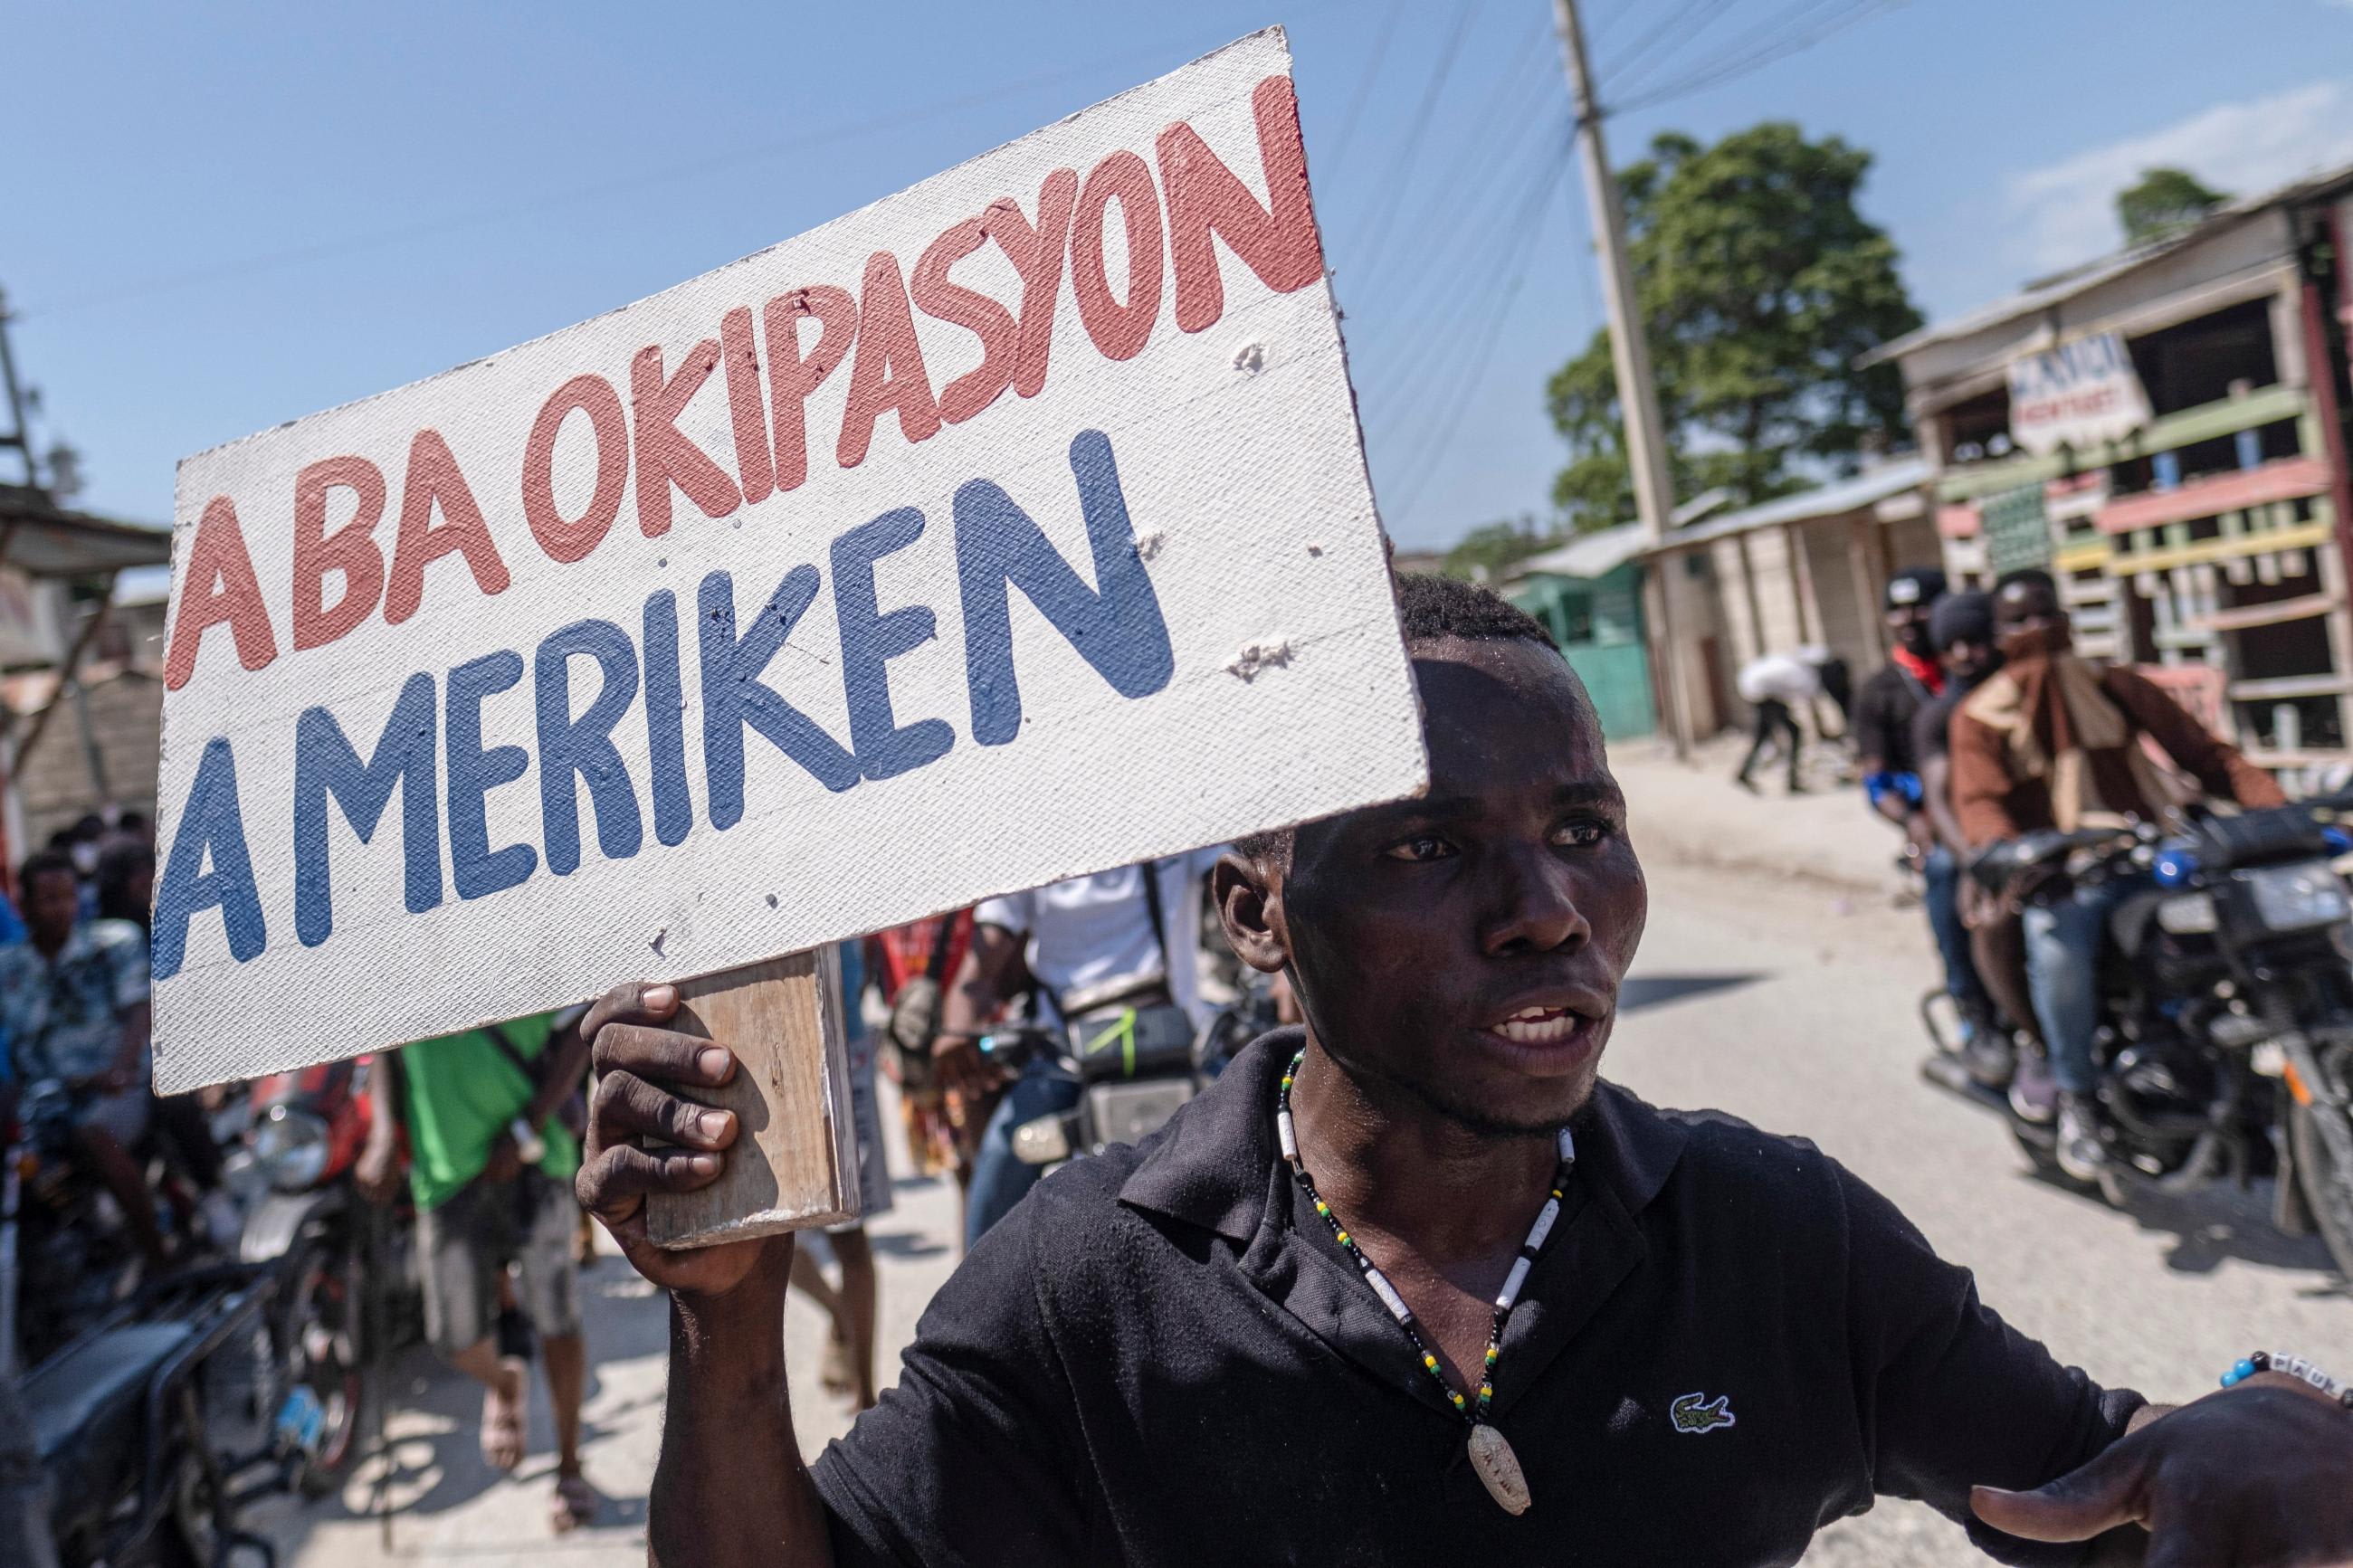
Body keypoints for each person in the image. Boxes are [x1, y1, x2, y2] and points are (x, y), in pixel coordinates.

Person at [576, 573, 2353, 1566]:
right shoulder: (1086, 1280)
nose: (1546, 910)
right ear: (1250, 910)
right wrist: (729, 1321)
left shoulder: (1770, 1232)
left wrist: (2235, 1436)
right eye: (1428, 846)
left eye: (1584, 825)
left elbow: (2090, 1480)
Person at [1951, 568, 2286, 1183]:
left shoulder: (2114, 684)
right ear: (1999, 636)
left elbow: (2206, 756)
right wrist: (2013, 850)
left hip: (2152, 854)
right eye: (2020, 621)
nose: (2038, 631)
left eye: (2046, 614)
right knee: (2058, 946)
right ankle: (2077, 1096)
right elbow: (1980, 804)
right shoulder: (1980, 716)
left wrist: (2280, 811)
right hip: (2066, 875)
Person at [357, 1010, 600, 1532]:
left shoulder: (513, 930)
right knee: (453, 1339)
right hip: (444, 1171)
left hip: (535, 1158)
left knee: (558, 1322)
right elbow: (381, 1039)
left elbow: (578, 1030)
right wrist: (381, 1135)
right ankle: (505, 1385)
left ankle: (570, 1466)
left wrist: (528, 1124)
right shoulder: (386, 951)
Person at [932, 850, 1224, 1249]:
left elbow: (1238, 885)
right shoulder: (1028, 840)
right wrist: (955, 1028)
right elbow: (981, 965)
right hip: (1066, 1059)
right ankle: (973, 1301)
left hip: (1179, 1046)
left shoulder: (1170, 808)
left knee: (1265, 1136)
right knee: (999, 1165)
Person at [0, 848, 169, 1265]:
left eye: (69, 897)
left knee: (95, 1133)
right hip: (44, 1104)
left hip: (114, 1092)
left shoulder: (112, 942)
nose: (62, 909)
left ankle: (159, 1257)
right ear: (25, 905)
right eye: (50, 899)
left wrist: (121, 1068)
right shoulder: (10, 968)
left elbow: (137, 1011)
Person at [1910, 591, 2023, 1088]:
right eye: (1951, 645)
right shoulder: (1939, 717)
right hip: (1977, 843)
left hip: (2039, 833)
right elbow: (1939, 797)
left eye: (1975, 642)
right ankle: (1975, 1013)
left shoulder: (2026, 699)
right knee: (1941, 871)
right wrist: (1975, 859)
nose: (1964, 656)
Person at [786, 939, 893, 1411]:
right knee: (774, 1235)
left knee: (850, 1236)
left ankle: (867, 1394)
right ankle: (840, 1315)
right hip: (774, 1049)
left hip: (842, 1045)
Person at [1730, 645, 1847, 793]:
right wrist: (1823, 731)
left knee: (1762, 735)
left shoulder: (1796, 666)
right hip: (1761, 692)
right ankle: (1792, 780)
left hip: (1754, 688)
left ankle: (1744, 773)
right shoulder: (1804, 675)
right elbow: (1811, 705)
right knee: (1795, 732)